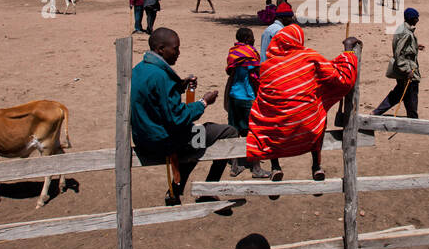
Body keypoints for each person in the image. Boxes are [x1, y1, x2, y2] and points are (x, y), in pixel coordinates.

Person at [128, 27, 236, 205]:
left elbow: (155, 97)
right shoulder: (161, 76)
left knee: (197, 141)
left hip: (144, 137)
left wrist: (180, 85)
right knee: (227, 132)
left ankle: (176, 191)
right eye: (175, 48)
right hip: (165, 142)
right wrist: (203, 102)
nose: (178, 52)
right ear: (161, 49)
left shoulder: (140, 69)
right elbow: (177, 118)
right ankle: (208, 190)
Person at [246, 25, 359, 182]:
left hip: (277, 130)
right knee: (316, 112)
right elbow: (337, 76)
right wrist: (347, 51)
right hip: (307, 127)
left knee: (267, 116)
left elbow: (264, 96)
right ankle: (316, 166)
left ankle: (275, 166)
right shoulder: (308, 57)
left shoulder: (266, 67)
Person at [224, 28, 268, 178]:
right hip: (248, 96)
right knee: (254, 131)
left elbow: (230, 74)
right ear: (248, 39)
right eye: (253, 37)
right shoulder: (251, 52)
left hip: (233, 95)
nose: (254, 40)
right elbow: (255, 75)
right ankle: (256, 167)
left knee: (234, 130)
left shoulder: (233, 53)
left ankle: (235, 165)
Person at [372, 7, 421, 118]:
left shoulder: (401, 28)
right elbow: (399, 52)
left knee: (401, 93)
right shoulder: (406, 33)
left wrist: (416, 46)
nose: (417, 20)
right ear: (412, 19)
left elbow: (403, 47)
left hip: (403, 68)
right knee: (410, 93)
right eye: (416, 18)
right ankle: (413, 119)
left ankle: (377, 112)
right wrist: (407, 70)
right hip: (407, 68)